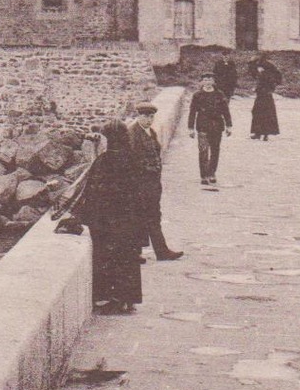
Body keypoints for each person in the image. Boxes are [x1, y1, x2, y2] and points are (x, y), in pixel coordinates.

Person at [70, 119, 145, 313]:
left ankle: (115, 300)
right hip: (130, 218)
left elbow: (95, 191)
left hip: (110, 220)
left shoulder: (107, 160)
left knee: (112, 258)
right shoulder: (132, 157)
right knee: (128, 258)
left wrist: (83, 217)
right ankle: (128, 299)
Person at [127, 103, 183, 261]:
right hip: (140, 184)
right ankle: (138, 252)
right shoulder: (133, 133)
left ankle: (158, 251)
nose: (148, 119)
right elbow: (132, 160)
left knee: (152, 216)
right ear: (138, 116)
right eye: (145, 116)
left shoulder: (150, 132)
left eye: (151, 117)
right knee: (140, 217)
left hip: (151, 184)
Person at [187, 73, 232, 185]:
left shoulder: (219, 94)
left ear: (213, 81)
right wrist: (190, 128)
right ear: (202, 82)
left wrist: (229, 125)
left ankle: (212, 173)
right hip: (203, 126)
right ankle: (204, 175)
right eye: (205, 80)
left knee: (215, 150)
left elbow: (225, 111)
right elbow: (192, 112)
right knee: (203, 151)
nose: (207, 82)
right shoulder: (197, 95)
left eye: (210, 80)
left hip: (217, 126)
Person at [249, 54, 283, 140]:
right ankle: (260, 133)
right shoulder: (263, 66)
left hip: (265, 92)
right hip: (263, 92)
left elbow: (275, 78)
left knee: (263, 112)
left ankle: (263, 134)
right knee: (260, 112)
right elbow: (253, 74)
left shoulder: (266, 67)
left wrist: (263, 74)